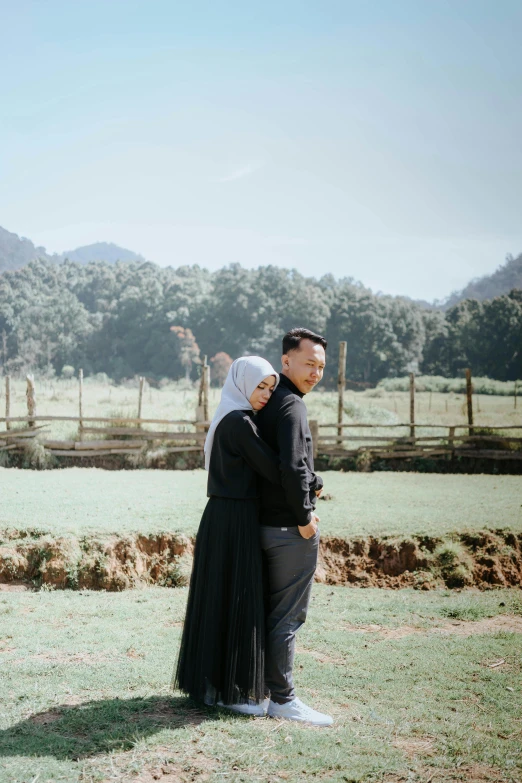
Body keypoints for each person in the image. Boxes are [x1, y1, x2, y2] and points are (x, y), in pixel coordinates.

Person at [173, 356, 281, 717]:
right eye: (259, 386)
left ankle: (212, 688)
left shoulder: (227, 416)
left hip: (222, 515)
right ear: (240, 384)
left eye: (270, 387)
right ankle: (233, 693)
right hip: (235, 517)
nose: (265, 394)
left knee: (221, 596)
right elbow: (271, 468)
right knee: (238, 597)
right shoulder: (240, 423)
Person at [256, 327, 333, 727]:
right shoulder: (292, 407)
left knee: (268, 612)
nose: (316, 372)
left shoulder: (266, 402)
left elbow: (288, 464)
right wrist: (305, 519)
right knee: (287, 617)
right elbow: (290, 466)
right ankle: (283, 699)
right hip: (289, 531)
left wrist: (314, 480)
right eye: (309, 363)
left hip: (262, 524)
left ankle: (256, 692)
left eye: (321, 366)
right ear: (286, 360)